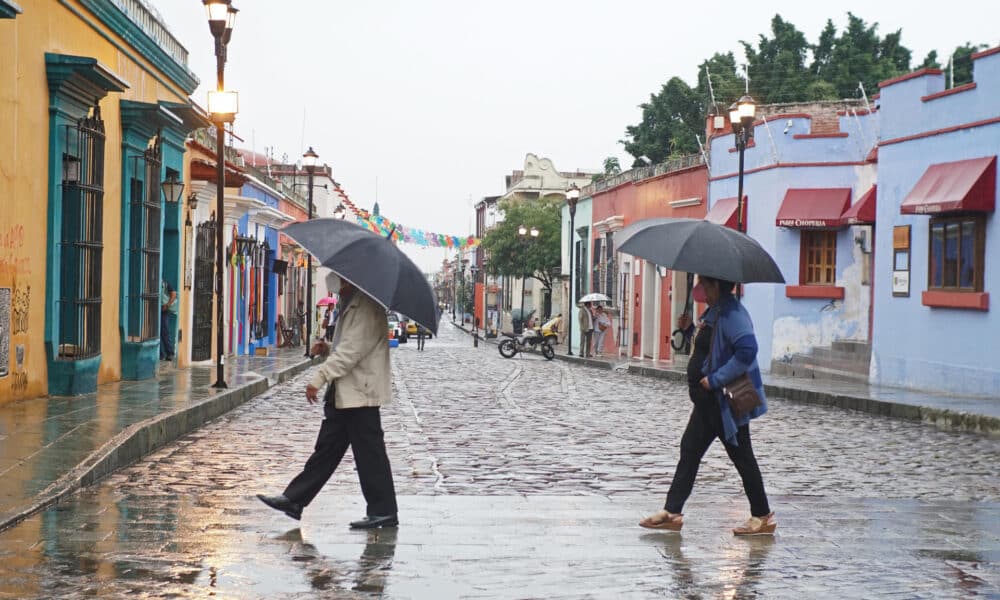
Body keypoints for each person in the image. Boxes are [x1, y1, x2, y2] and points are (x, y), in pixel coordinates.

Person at [258, 275, 399, 529]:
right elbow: (346, 347)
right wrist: (327, 348)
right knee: (326, 451)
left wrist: (319, 377)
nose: (340, 288)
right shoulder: (353, 305)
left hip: (360, 393)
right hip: (346, 392)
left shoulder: (366, 308)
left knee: (371, 455)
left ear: (354, 282)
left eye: (343, 283)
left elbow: (352, 352)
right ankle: (294, 500)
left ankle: (384, 511)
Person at [639, 276, 775, 536]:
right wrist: (690, 329)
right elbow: (709, 347)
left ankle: (762, 516)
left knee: (742, 456)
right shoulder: (716, 311)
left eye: (704, 282)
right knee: (690, 449)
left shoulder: (734, 314)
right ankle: (672, 511)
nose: (700, 287)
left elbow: (747, 350)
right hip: (707, 403)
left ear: (716, 285)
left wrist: (714, 380)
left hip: (721, 401)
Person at [160, 279, 177, 361]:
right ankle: (161, 354)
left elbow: (173, 293)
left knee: (164, 331)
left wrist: (167, 305)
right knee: (153, 332)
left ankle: (169, 353)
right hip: (155, 309)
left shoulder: (165, 283)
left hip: (163, 310)